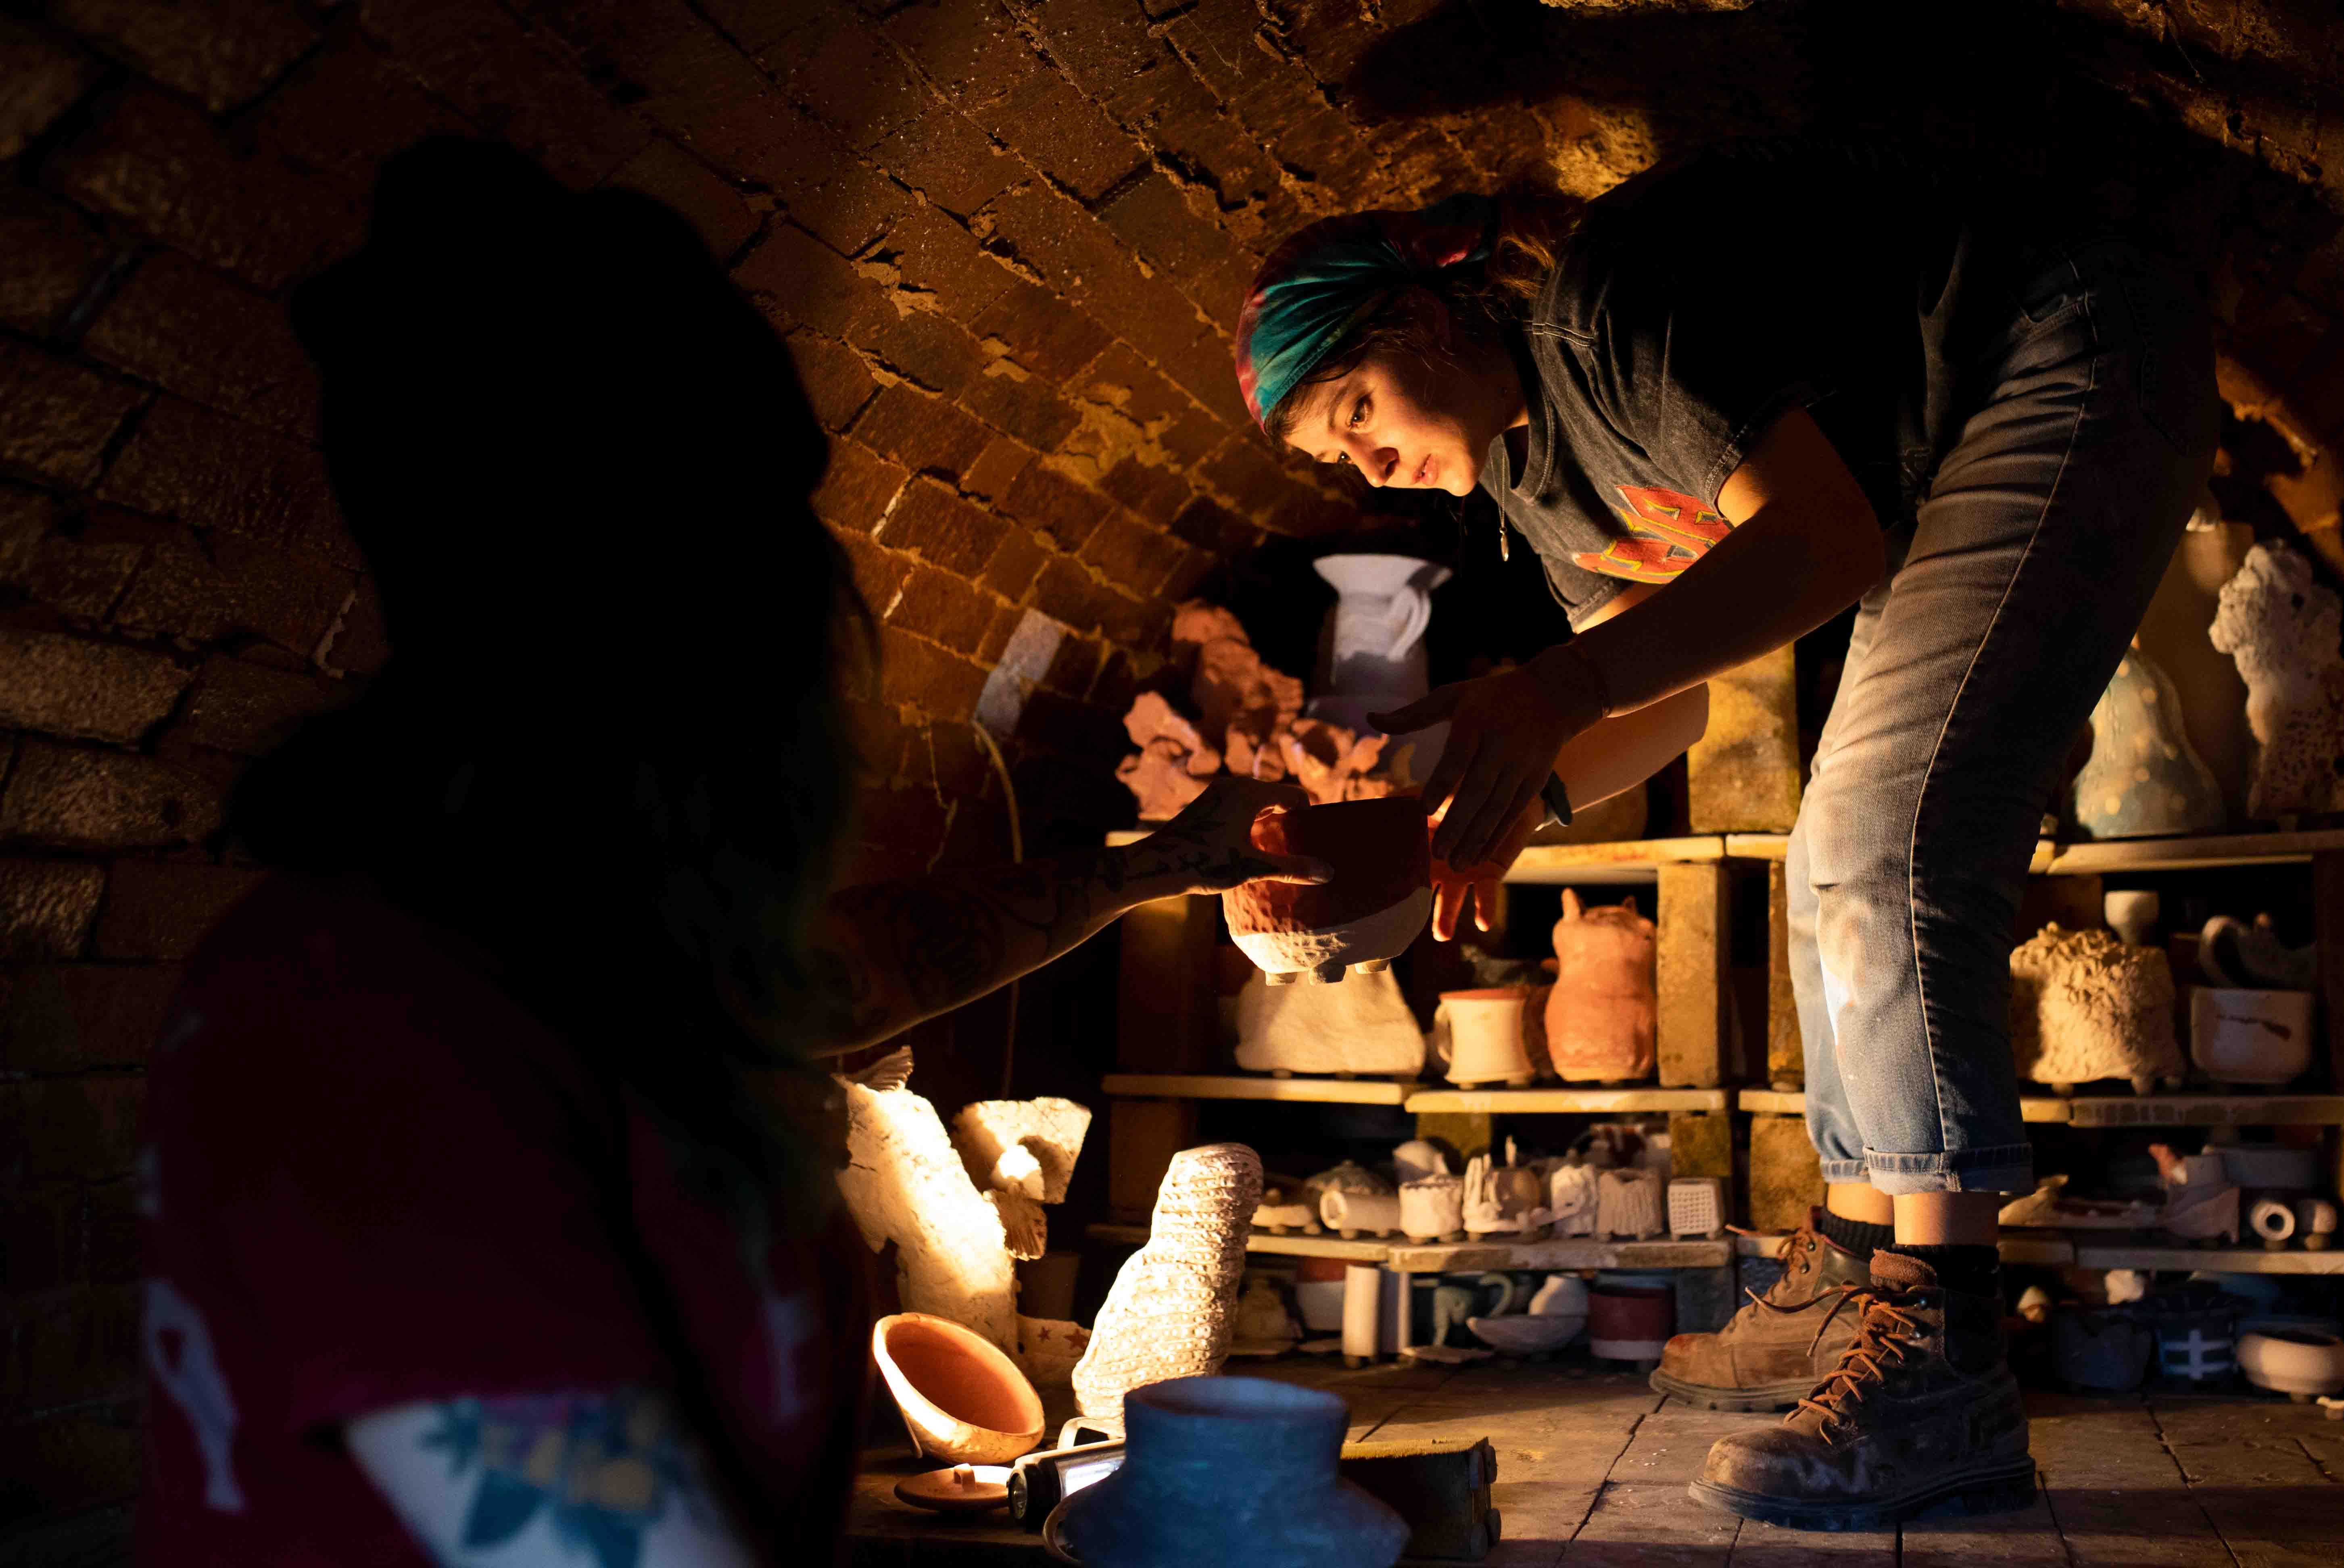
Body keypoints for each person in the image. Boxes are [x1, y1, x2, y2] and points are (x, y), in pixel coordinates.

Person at [138, 140, 1323, 1568]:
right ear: (675, 632)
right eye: (794, 586)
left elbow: (897, 956)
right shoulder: (367, 1016)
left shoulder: (636, 958)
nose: (838, 668)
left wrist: (1153, 867)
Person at [1232, 138, 2218, 1528]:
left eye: (1355, 407)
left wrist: (1551, 692)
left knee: (1891, 833)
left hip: (2060, 350)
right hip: (1939, 468)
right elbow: (1669, 709)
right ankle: (1855, 1269)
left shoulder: (1608, 307)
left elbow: (1821, 545)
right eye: (1339, 452)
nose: (1369, 463)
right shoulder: (1536, 486)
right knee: (1831, 857)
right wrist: (1482, 794)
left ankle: (1944, 1352)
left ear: (1417, 318)